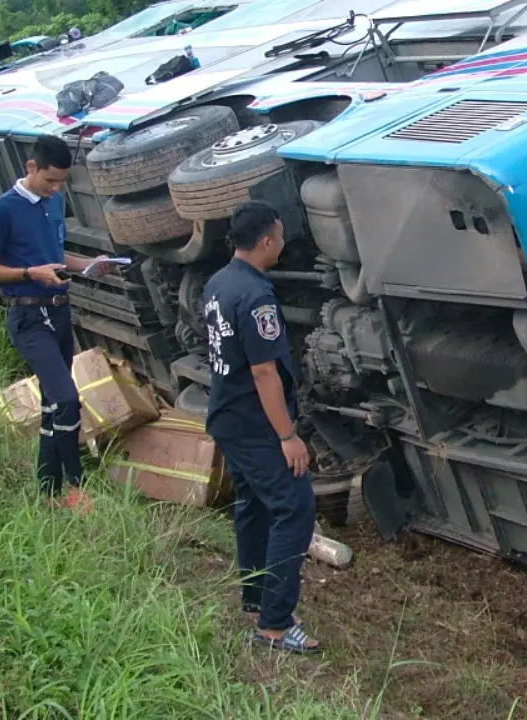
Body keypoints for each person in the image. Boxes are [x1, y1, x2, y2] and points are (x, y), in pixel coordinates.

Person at [0, 134, 117, 513]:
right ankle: (75, 485)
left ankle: (47, 487)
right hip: (28, 316)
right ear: (31, 168)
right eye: (50, 181)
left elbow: (54, 255)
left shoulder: (52, 204)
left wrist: (88, 264)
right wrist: (29, 273)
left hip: (59, 311)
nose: (56, 190)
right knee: (68, 399)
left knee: (56, 404)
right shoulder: (3, 210)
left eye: (62, 183)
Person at [202, 201, 319, 655]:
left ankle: (255, 597)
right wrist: (287, 436)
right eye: (281, 235)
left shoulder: (219, 282)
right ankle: (274, 624)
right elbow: (264, 372)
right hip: (256, 423)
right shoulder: (255, 297)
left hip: (228, 414)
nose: (284, 242)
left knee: (253, 504)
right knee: (294, 506)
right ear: (268, 240)